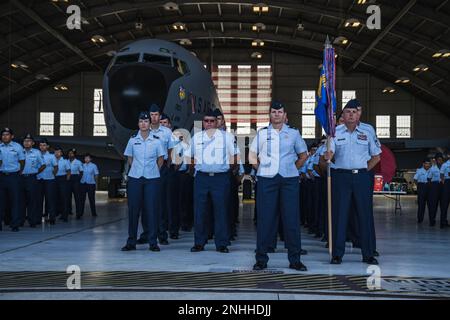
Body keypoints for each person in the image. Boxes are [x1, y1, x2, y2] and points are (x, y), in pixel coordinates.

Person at [249, 101, 308, 271]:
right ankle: (261, 259)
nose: (276, 114)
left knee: (291, 219)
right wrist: (262, 169)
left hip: (289, 180)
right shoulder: (262, 134)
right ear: (270, 114)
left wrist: (292, 168)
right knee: (265, 219)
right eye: (273, 111)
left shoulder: (293, 134)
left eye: (279, 111)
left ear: (284, 115)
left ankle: (295, 259)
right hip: (267, 180)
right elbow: (252, 156)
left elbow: (303, 155)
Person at [323, 100, 381, 265]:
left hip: (361, 176)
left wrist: (363, 170)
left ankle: (368, 253)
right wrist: (328, 155)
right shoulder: (335, 132)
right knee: (340, 215)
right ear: (343, 114)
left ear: (359, 113)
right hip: (341, 177)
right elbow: (331, 151)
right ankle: (337, 254)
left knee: (365, 215)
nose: (351, 115)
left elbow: (376, 156)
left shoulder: (368, 131)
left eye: (354, 112)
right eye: (347, 112)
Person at [188, 110, 240, 253]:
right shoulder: (196, 137)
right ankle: (199, 242)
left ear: (217, 122)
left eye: (212, 121)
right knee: (200, 212)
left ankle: (221, 243)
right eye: (206, 121)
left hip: (220, 178)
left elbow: (235, 157)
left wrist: (225, 169)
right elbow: (190, 157)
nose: (209, 123)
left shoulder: (227, 137)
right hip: (202, 178)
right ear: (203, 123)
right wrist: (194, 171)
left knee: (221, 211)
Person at [121, 111, 165, 252]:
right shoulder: (133, 140)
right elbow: (130, 158)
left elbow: (161, 159)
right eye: (141, 121)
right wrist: (138, 169)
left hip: (152, 179)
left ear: (149, 124)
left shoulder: (157, 140)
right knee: (133, 210)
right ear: (138, 124)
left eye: (146, 121)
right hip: (135, 178)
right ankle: (131, 242)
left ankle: (153, 242)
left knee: (152, 210)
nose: (143, 124)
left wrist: (152, 170)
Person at [137, 104, 174, 245]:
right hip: (146, 168)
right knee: (145, 202)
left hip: (162, 169)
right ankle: (146, 233)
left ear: (160, 116)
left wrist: (168, 164)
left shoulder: (166, 132)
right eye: (151, 115)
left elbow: (171, 149)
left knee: (161, 202)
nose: (153, 117)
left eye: (156, 114)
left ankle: (162, 234)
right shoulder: (143, 130)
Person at [0, 128, 25, 232]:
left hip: (13, 176)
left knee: (15, 201)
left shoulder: (17, 147)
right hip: (1, 176)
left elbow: (22, 161)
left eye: (7, 134)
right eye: (3, 135)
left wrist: (19, 172)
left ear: (12, 136)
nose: (5, 136)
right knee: (1, 202)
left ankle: (15, 224)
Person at [20, 133, 45, 228]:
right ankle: (20, 220)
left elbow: (43, 165)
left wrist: (35, 172)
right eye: (25, 141)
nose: (27, 143)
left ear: (33, 143)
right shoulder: (19, 151)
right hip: (20, 178)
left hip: (31, 178)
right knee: (20, 200)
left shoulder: (37, 152)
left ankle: (32, 221)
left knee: (32, 200)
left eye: (29, 141)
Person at [37, 138, 58, 225]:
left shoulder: (52, 156)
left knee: (50, 200)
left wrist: (53, 175)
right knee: (38, 200)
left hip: (49, 180)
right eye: (41, 145)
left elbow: (56, 167)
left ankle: (52, 218)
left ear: (48, 146)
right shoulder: (36, 155)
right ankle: (37, 218)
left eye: (44, 145)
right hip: (39, 179)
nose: (42, 147)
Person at [54, 147, 71, 222]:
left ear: (61, 153)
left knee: (64, 198)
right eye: (56, 152)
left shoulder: (65, 161)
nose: (57, 153)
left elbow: (68, 171)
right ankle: (56, 213)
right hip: (54, 179)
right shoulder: (52, 160)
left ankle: (65, 215)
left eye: (58, 152)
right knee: (55, 198)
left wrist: (66, 180)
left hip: (62, 179)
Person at [427, 154, 443, 226]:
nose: (440, 161)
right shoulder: (432, 168)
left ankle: (443, 221)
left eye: (441, 159)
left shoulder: (445, 167)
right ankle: (432, 221)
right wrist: (432, 188)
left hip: (443, 186)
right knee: (433, 205)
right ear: (436, 161)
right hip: (434, 186)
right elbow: (429, 178)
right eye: (438, 159)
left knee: (443, 205)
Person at [414, 158, 431, 224]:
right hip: (422, 186)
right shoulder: (419, 170)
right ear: (423, 164)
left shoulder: (431, 170)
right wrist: (418, 187)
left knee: (430, 205)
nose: (427, 165)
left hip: (430, 187)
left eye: (429, 164)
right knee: (421, 205)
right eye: (426, 163)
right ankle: (420, 219)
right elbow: (415, 179)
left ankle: (431, 219)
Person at [67, 149, 84, 219]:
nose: (70, 155)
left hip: (75, 179)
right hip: (68, 178)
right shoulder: (66, 161)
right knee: (67, 197)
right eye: (69, 153)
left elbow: (81, 172)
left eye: (72, 153)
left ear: (74, 154)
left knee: (77, 197)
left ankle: (78, 213)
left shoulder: (78, 162)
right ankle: (68, 211)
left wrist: (78, 180)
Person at [440, 155, 450, 228]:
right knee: (444, 204)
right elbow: (441, 174)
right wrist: (444, 183)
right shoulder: (445, 164)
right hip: (447, 182)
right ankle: (443, 222)